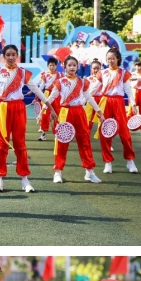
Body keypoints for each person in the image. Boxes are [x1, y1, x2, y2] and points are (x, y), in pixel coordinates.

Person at [0, 44, 52, 193]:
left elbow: (35, 89)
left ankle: (25, 179)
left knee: (20, 144)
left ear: (17, 56)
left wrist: (47, 103)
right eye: (8, 55)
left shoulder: (23, 73)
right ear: (4, 57)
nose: (11, 57)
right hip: (3, 109)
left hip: (19, 109)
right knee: (1, 144)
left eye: (13, 54)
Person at [46, 55, 104, 184]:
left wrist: (99, 111)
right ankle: (58, 172)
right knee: (61, 143)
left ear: (77, 67)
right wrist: (44, 111)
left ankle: (89, 172)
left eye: (74, 65)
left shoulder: (82, 82)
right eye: (69, 65)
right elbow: (51, 97)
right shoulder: (60, 82)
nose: (72, 67)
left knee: (85, 142)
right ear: (64, 67)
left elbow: (89, 98)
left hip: (80, 113)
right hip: (65, 113)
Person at [95, 48, 139, 174]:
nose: (110, 61)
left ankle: (130, 160)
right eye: (108, 59)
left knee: (124, 133)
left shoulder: (123, 73)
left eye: (113, 58)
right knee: (105, 132)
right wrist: (83, 99)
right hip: (105, 102)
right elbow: (94, 88)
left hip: (118, 102)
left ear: (118, 59)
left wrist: (133, 103)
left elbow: (128, 90)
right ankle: (107, 162)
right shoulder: (102, 73)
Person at [37, 57, 63, 140]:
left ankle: (57, 134)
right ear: (48, 66)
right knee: (44, 114)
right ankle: (43, 134)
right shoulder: (45, 74)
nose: (52, 67)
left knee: (57, 114)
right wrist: (37, 93)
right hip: (47, 94)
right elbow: (42, 85)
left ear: (56, 66)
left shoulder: (60, 75)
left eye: (53, 65)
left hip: (56, 95)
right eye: (50, 65)